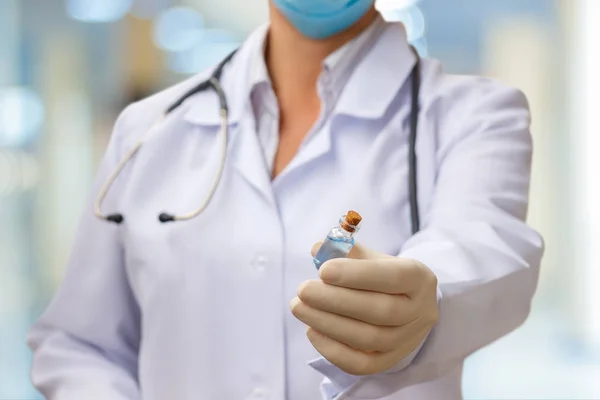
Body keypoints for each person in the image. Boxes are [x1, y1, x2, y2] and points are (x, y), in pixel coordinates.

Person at [27, 1, 544, 399]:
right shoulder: (147, 130)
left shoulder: (473, 114)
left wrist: (423, 300)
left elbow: (482, 244)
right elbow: (80, 343)